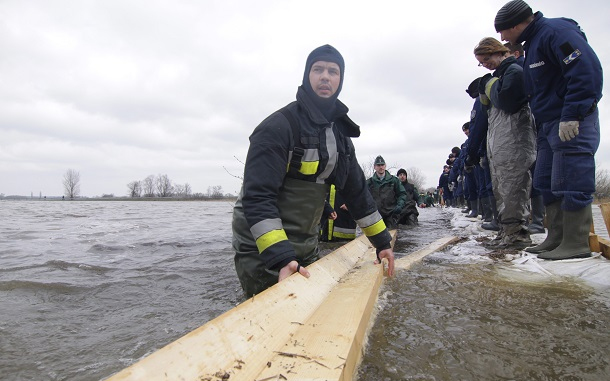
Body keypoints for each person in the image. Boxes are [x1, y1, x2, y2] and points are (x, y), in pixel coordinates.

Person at [232, 45, 395, 297]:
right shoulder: (276, 127)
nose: (325, 76)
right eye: (318, 69)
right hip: (261, 245)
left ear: (340, 80)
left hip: (307, 242)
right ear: (307, 75)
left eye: (333, 71)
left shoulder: (340, 136)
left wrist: (382, 243)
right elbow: (258, 198)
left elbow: (357, 194)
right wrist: (279, 256)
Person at [495, 0, 602, 259]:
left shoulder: (556, 33)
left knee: (571, 177)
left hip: (569, 119)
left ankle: (575, 242)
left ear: (518, 24)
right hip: (546, 124)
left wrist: (573, 114)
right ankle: (555, 237)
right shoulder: (532, 44)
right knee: (546, 180)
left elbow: (585, 71)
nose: (502, 38)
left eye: (504, 31)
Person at [474, 37, 537, 249]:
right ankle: (507, 232)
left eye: (487, 58)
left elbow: (508, 101)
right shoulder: (500, 75)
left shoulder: (514, 71)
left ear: (499, 52)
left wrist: (489, 84)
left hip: (515, 138)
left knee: (513, 185)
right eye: (482, 62)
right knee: (501, 186)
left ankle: (517, 235)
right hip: (500, 142)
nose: (486, 64)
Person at [366, 155, 407, 229]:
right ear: (375, 167)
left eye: (382, 165)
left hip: (391, 214)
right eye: (378, 165)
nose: (381, 167)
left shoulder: (394, 180)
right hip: (375, 215)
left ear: (385, 166)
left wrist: (399, 206)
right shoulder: (369, 182)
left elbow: (402, 194)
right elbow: (362, 197)